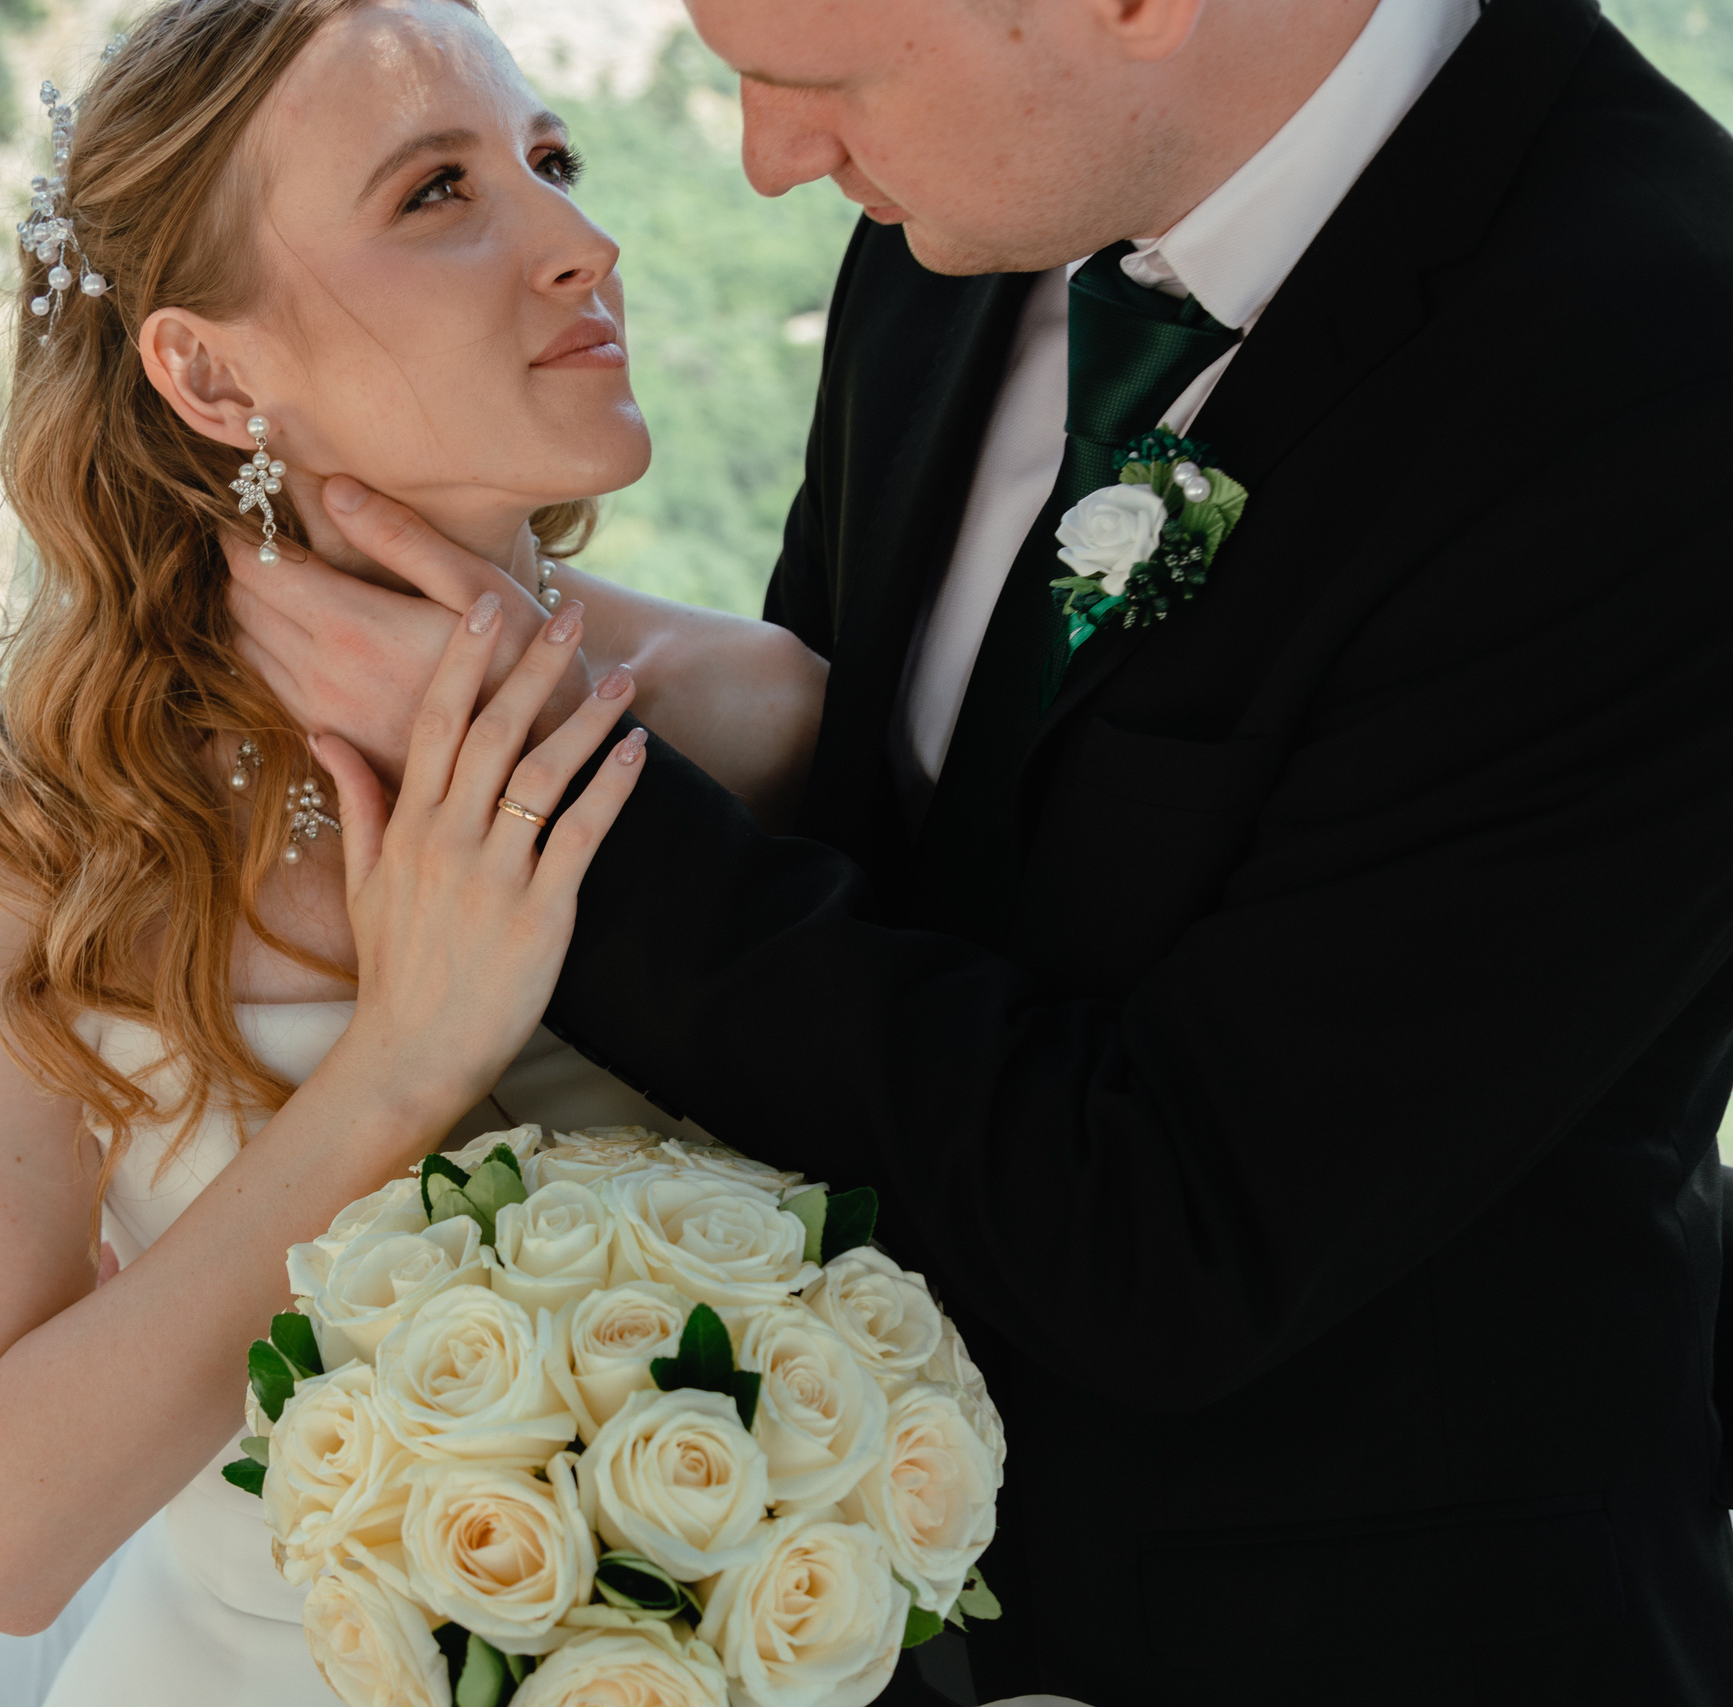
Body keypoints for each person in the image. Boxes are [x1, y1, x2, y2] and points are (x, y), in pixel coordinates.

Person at [230, 0, 1733, 1703]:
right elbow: (865, 871)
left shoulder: (1662, 384)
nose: (770, 158)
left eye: (820, 79)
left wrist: (526, 772)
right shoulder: (963, 215)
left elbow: (1184, 1233)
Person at [0, 4, 844, 1705]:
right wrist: (398, 1069)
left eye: (553, 161)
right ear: (209, 371)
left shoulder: (752, 725)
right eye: (439, 193)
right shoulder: (52, 821)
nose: (584, 241)